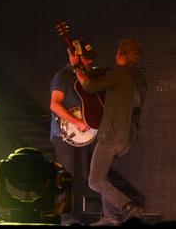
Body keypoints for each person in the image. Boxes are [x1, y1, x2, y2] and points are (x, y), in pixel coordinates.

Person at [68, 38, 148, 226]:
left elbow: (89, 86)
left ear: (122, 56)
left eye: (117, 53)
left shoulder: (120, 74)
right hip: (127, 138)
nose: (114, 56)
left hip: (111, 136)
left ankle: (128, 206)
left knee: (94, 181)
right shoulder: (140, 79)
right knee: (103, 177)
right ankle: (111, 218)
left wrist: (76, 68)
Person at [50, 40, 98, 225]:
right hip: (64, 136)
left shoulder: (86, 78)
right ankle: (65, 216)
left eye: (90, 60)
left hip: (82, 136)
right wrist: (77, 122)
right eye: (86, 59)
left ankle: (76, 214)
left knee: (81, 175)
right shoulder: (62, 77)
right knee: (67, 174)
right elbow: (54, 104)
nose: (89, 63)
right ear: (75, 57)